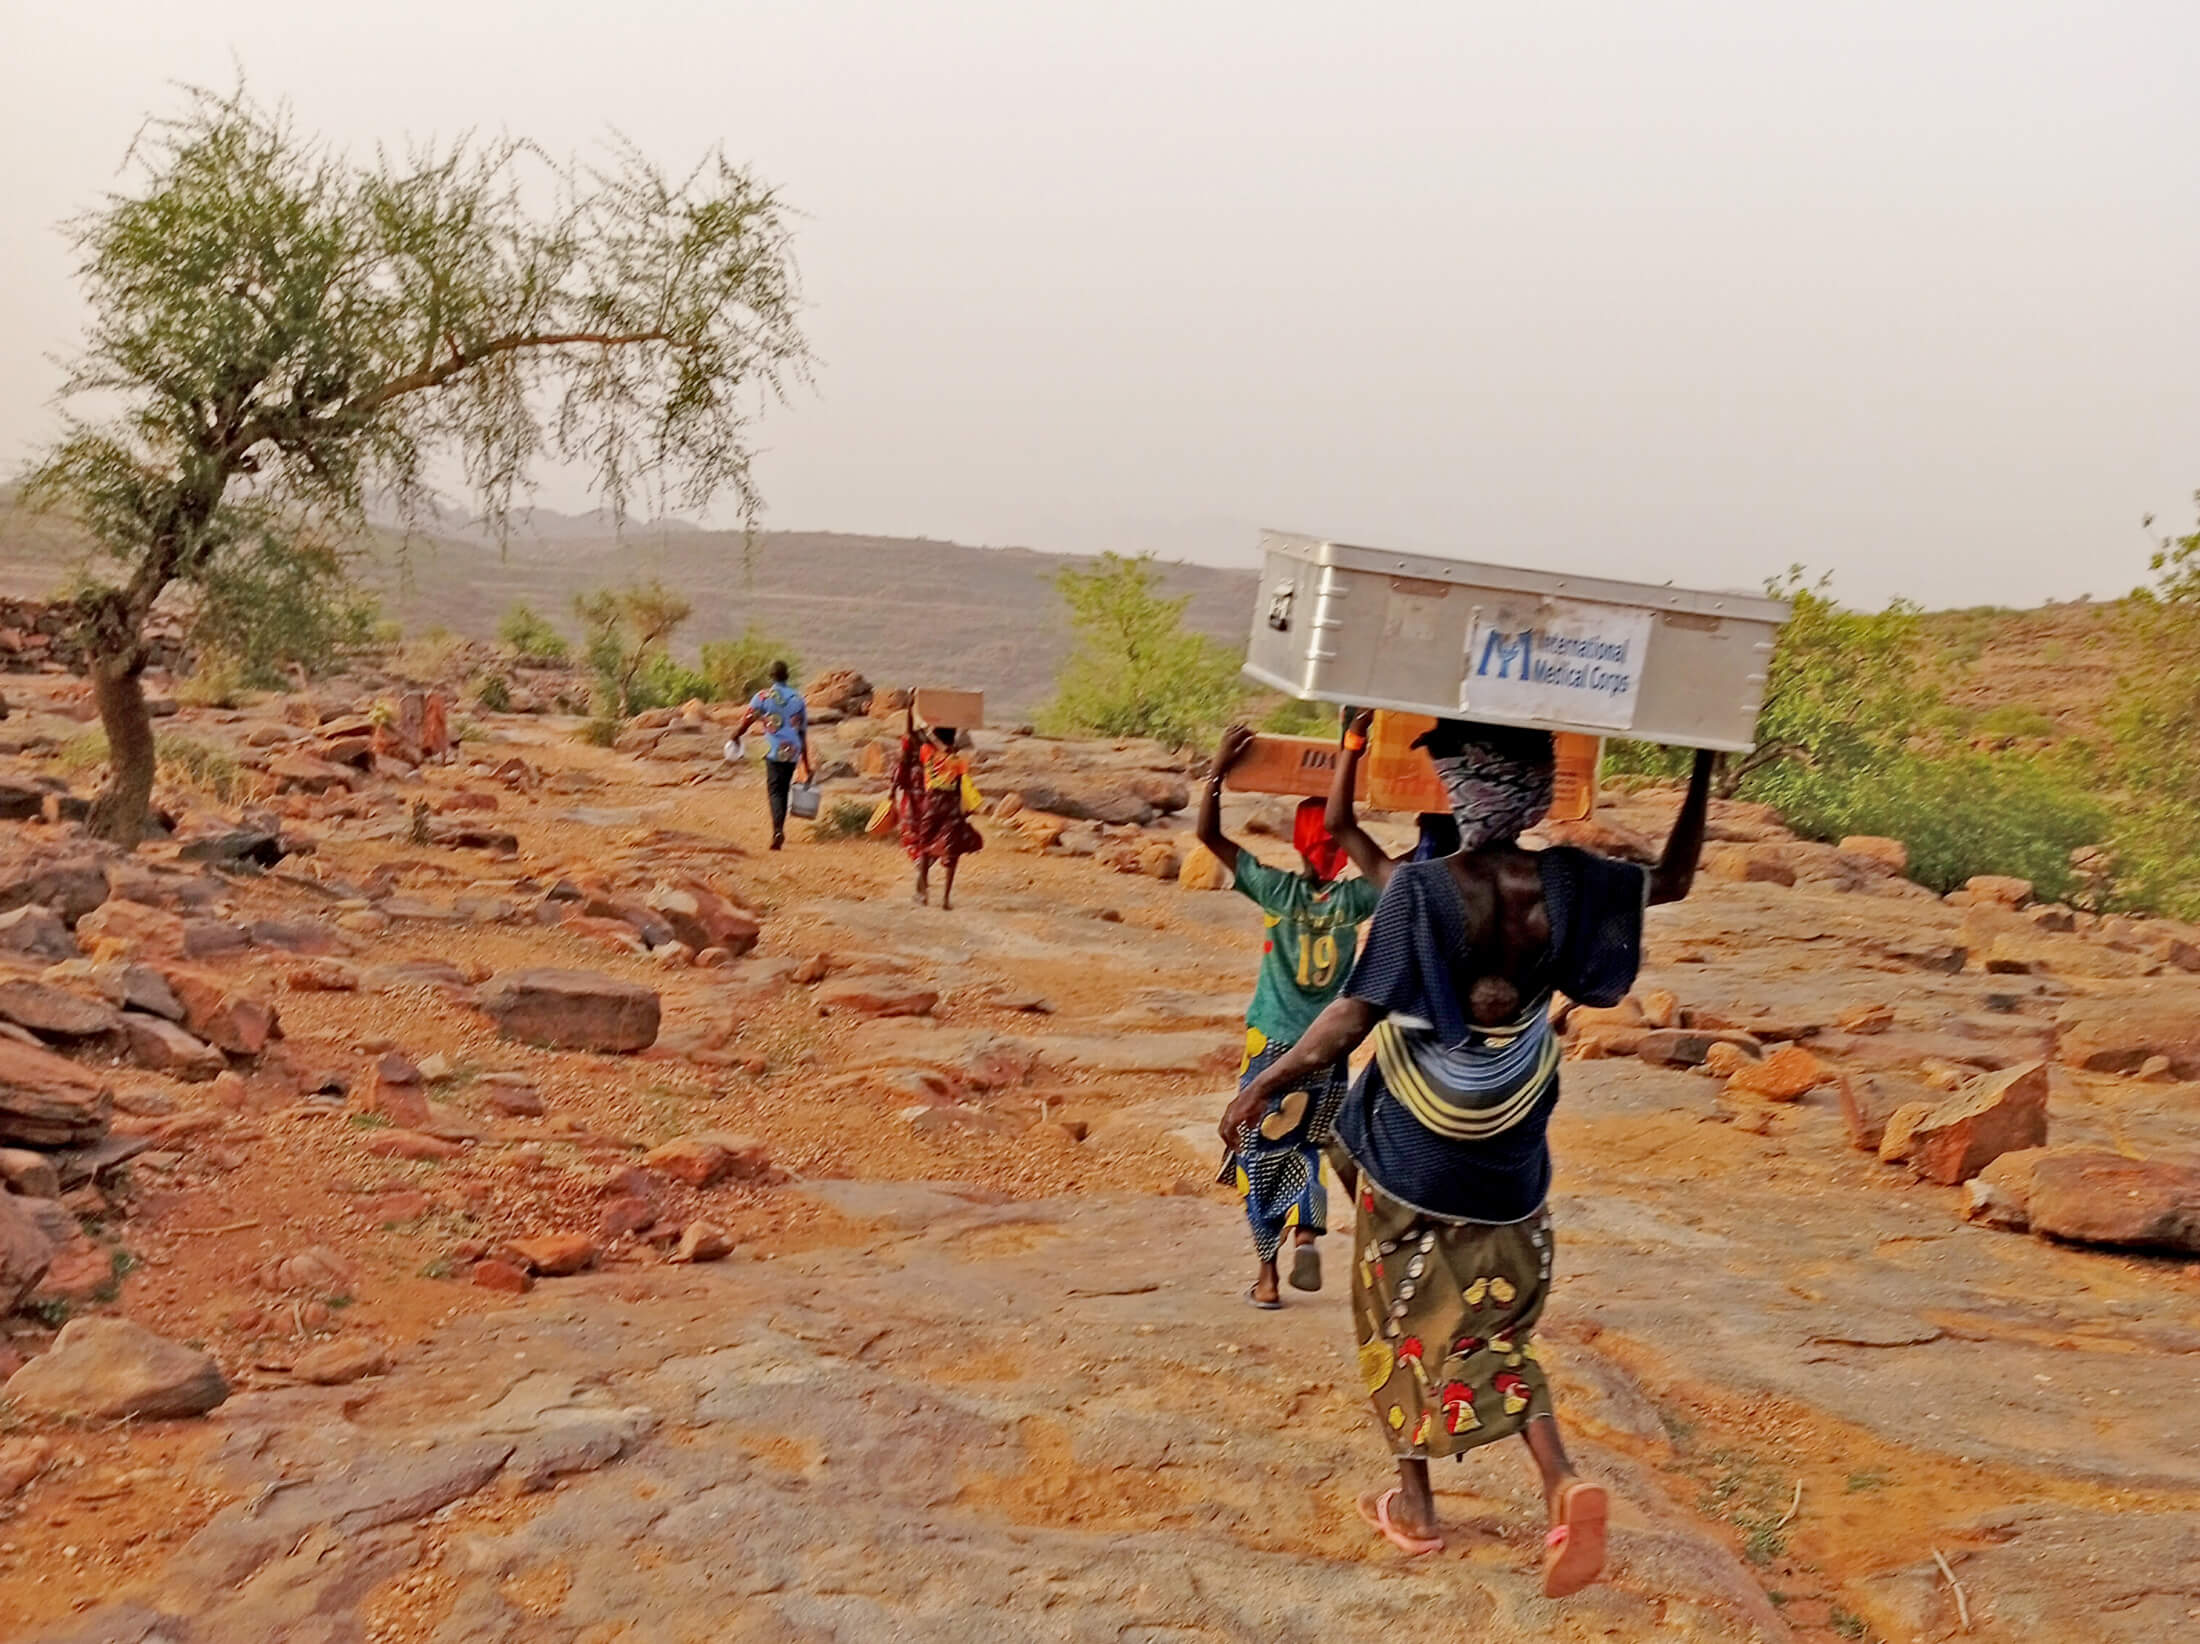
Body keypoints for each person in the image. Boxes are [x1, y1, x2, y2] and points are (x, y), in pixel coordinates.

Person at [1221, 718, 1715, 1595]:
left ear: (1461, 792)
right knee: (1496, 1313)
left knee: (1395, 1313)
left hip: (1416, 1147)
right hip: (1509, 1146)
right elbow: (1673, 879)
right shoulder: (1571, 882)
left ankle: (1415, 1504)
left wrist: (1264, 1085)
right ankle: (1561, 1479)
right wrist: (1703, 759)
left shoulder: (1420, 889)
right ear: (1534, 796)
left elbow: (1352, 1017)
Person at [1197, 724, 1382, 1309]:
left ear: (1301, 845)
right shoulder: (1357, 899)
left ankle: (1268, 1276)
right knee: (1310, 1142)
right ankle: (1307, 1230)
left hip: (1271, 1046)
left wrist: (1217, 771)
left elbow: (1209, 836)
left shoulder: (1276, 890)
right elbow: (1416, 860)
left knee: (1261, 1149)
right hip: (1328, 1049)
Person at [893, 696, 984, 910]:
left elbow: (915, 735)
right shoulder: (959, 761)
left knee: (925, 847)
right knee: (951, 853)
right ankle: (945, 899)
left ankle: (922, 893)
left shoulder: (928, 754)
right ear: (953, 739)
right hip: (952, 808)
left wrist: (911, 709)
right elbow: (963, 783)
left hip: (931, 806)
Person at [728, 661, 811, 851]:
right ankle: (779, 829)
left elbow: (747, 720)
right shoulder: (798, 699)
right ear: (787, 676)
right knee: (783, 789)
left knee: (775, 791)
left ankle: (777, 831)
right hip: (793, 751)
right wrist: (806, 763)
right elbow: (802, 732)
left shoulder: (763, 697)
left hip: (775, 752)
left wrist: (735, 736)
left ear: (771, 676)